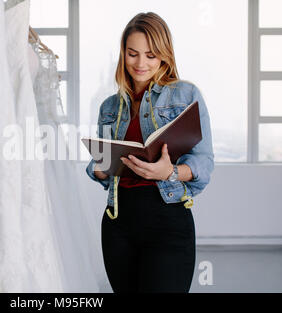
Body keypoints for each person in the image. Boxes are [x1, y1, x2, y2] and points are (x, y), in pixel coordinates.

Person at [85, 12, 214, 293]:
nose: (140, 64)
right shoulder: (108, 106)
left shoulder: (186, 95)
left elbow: (204, 161)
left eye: (151, 55)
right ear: (123, 53)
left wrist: (170, 171)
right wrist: (98, 168)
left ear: (165, 56)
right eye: (132, 54)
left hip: (168, 219)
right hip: (118, 223)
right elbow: (104, 168)